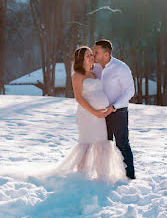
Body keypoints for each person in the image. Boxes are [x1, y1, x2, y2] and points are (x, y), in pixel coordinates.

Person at [53, 46, 127, 184]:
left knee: (101, 143)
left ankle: (101, 175)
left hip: (100, 117)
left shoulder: (94, 74)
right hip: (87, 116)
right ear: (81, 59)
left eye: (91, 54)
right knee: (86, 144)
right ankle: (81, 175)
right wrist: (94, 112)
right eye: (88, 55)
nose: (91, 57)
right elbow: (79, 98)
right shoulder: (77, 75)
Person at [93, 39, 136, 179]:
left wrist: (114, 107)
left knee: (122, 144)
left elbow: (130, 91)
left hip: (118, 112)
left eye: (96, 52)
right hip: (102, 113)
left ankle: (129, 176)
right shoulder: (97, 67)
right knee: (104, 144)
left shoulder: (121, 68)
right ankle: (105, 174)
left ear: (106, 54)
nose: (93, 54)